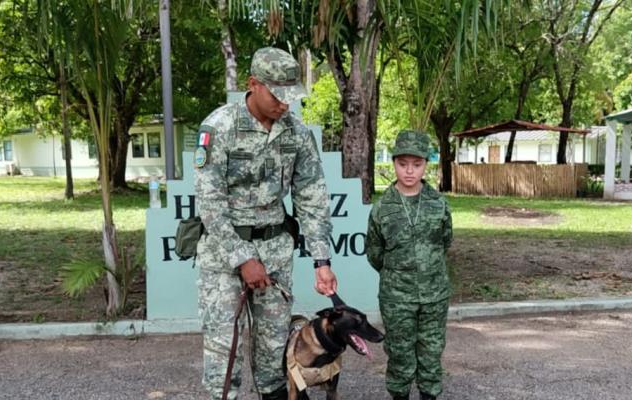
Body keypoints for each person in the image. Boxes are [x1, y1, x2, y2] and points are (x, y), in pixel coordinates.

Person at [193, 47, 337, 400]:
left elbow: (312, 196)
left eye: (291, 96)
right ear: (253, 84)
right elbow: (210, 202)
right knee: (223, 351)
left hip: (275, 252)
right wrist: (243, 258)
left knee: (273, 349)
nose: (285, 104)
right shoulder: (219, 127)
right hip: (223, 255)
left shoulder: (297, 134)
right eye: (278, 95)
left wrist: (322, 261)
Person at [366, 130, 453, 400]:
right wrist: (398, 274)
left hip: (434, 294)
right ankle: (400, 395)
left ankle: (429, 395)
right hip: (397, 297)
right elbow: (374, 251)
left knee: (431, 350)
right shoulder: (382, 208)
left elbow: (445, 241)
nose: (409, 171)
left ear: (426, 164)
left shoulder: (438, 204)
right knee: (400, 351)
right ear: (393, 163)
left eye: (416, 164)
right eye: (403, 164)